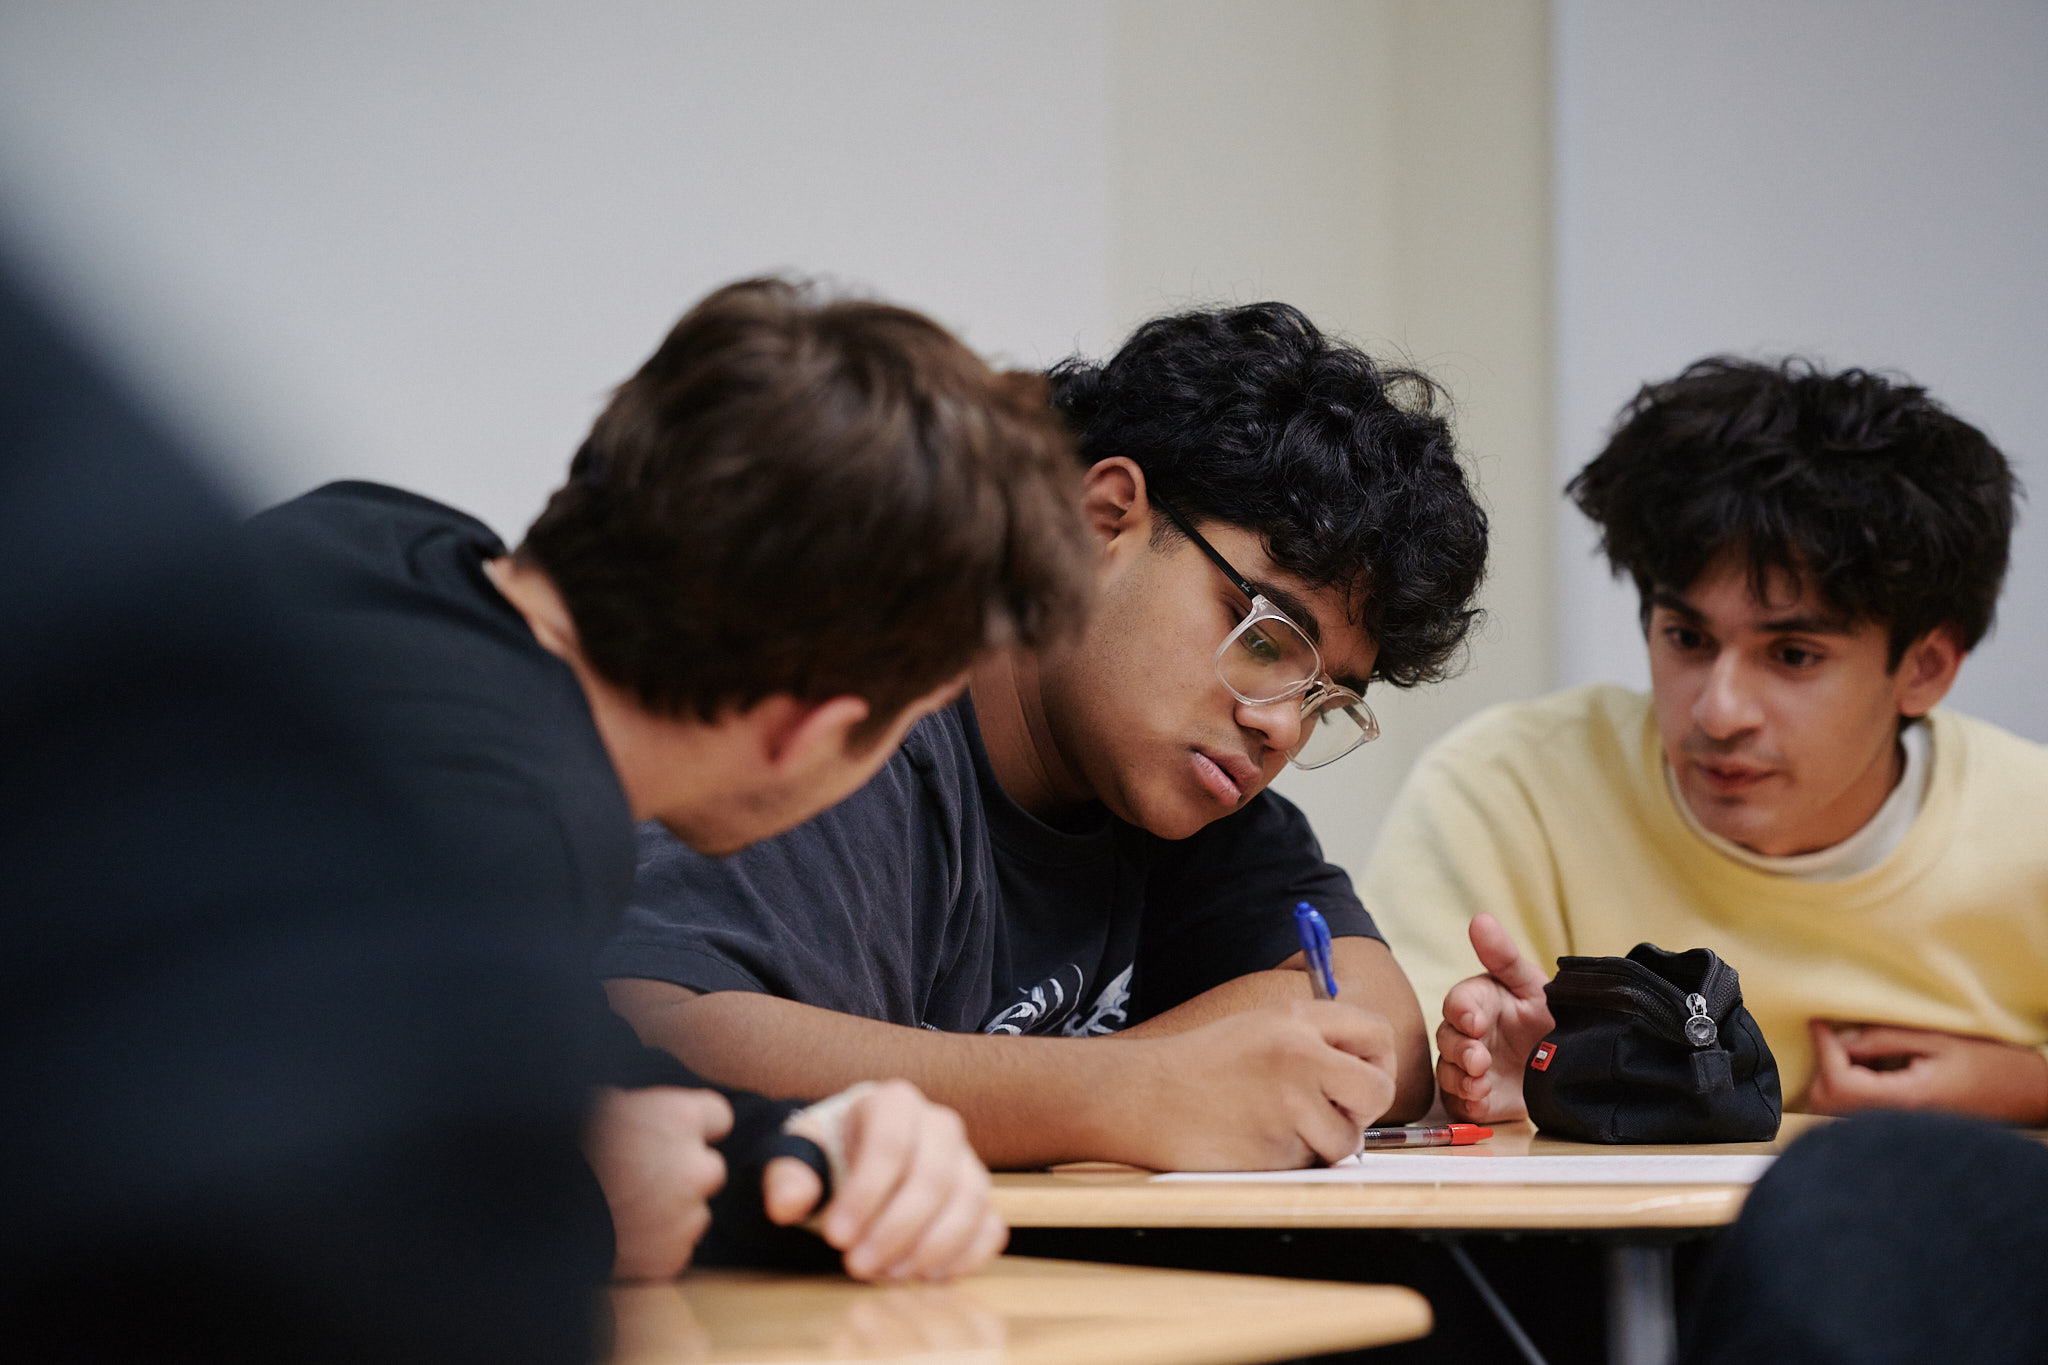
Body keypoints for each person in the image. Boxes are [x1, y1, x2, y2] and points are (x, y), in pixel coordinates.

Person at [246, 278, 1096, 1281]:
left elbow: (566, 1078)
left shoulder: (373, 540)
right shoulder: (508, 826)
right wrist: (565, 1219)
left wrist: (809, 1151)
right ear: (806, 731)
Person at [602, 301, 1491, 1170]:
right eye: (1261, 638)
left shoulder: (1185, 794)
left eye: (1325, 697)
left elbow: (1385, 1034)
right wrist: (1123, 1094)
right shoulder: (866, 720)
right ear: (1103, 519)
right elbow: (657, 1027)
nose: (1278, 725)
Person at [0, 262, 602, 1361]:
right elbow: (327, 1178)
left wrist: (753, 1143)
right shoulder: (533, 804)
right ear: (809, 722)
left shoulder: (397, 537)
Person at [1368, 356, 2048, 1128]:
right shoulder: (1507, 788)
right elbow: (1380, 1098)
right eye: (1687, 637)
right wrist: (1468, 1083)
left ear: (1924, 668)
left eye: (1793, 655)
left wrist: (2027, 1088)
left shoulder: (2032, 828)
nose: (1719, 713)